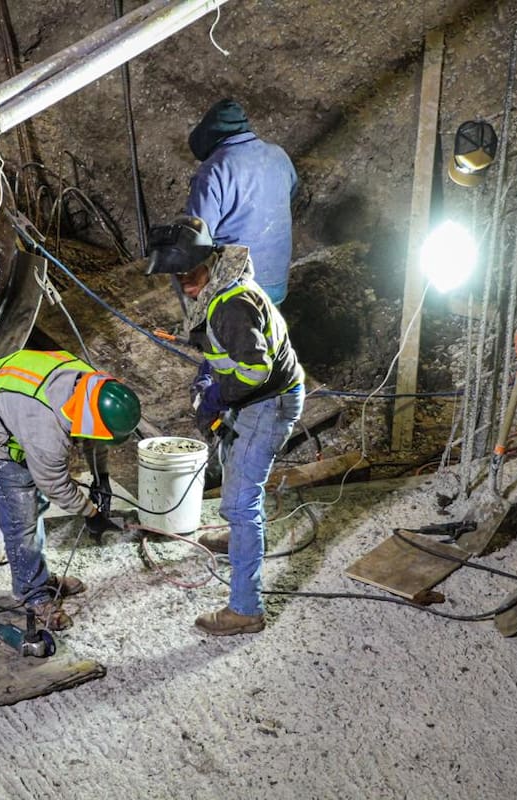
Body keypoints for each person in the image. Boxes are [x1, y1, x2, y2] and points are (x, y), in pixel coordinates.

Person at [146, 216, 305, 636]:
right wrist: (205, 365)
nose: (185, 284)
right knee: (228, 459)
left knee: (239, 503)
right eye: (177, 278)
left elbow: (254, 369)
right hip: (254, 398)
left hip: (266, 403)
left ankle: (245, 610)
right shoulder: (220, 288)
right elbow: (229, 351)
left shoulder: (231, 305)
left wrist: (218, 393)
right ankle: (239, 539)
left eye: (190, 274)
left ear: (210, 261)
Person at [0, 350, 141, 630]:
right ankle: (31, 595)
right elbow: (55, 484)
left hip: (12, 391)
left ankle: (38, 576)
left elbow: (96, 440)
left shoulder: (95, 389)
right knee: (21, 517)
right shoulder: (46, 431)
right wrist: (90, 512)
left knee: (38, 505)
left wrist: (101, 476)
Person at [185, 98, 299, 305]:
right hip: (277, 284)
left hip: (237, 291)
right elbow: (289, 195)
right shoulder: (279, 155)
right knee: (268, 332)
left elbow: (197, 235)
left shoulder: (212, 171)